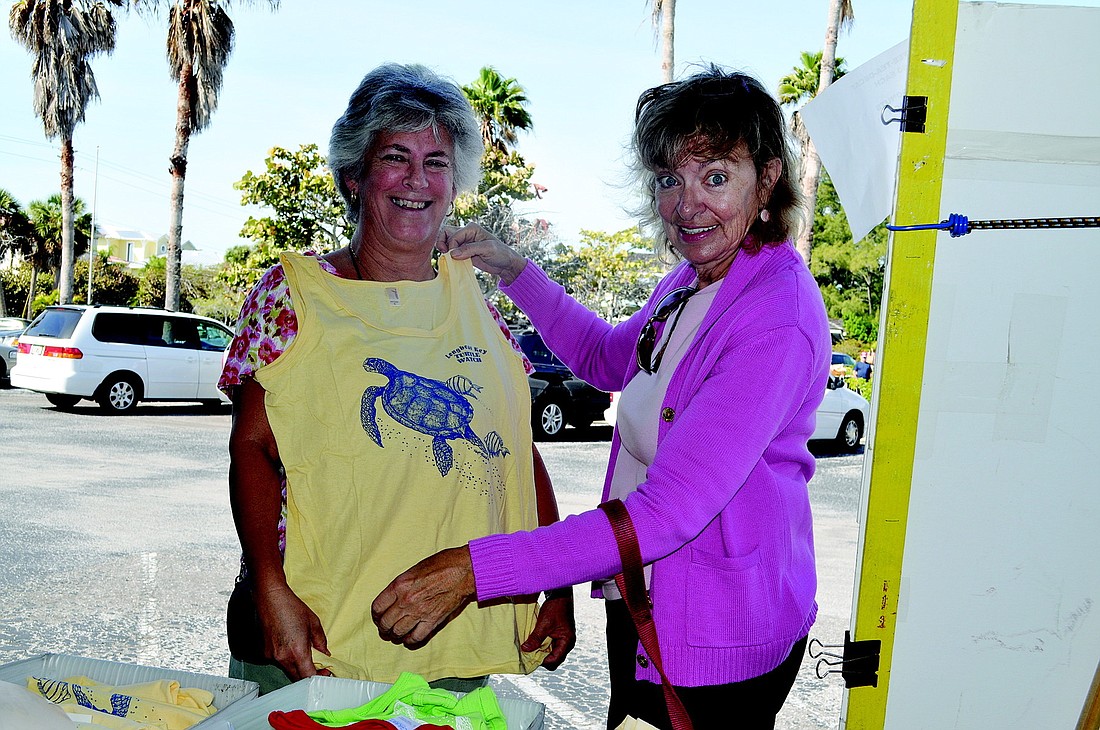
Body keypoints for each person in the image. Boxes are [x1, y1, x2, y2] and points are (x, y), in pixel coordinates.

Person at [371, 65, 831, 729]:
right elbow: (607, 357)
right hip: (645, 595)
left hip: (719, 633)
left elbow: (669, 511)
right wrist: (513, 269)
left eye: (715, 176)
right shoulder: (690, 279)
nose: (686, 203)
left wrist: (477, 570)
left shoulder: (775, 316)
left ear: (766, 180)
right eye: (670, 178)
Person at [220, 62, 574, 696]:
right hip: (318, 640)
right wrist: (269, 587)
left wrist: (558, 582)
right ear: (355, 176)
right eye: (396, 157)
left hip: (453, 636)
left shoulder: (475, 301)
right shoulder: (295, 293)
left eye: (437, 161)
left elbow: (519, 451)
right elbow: (252, 447)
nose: (418, 179)